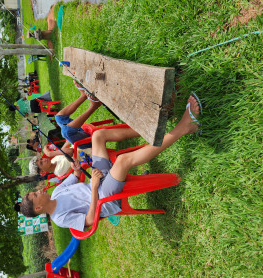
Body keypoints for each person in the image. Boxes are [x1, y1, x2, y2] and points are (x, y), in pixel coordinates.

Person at [19, 95, 201, 231]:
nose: (39, 190)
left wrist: (76, 169)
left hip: (99, 180)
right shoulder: (60, 218)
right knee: (122, 161)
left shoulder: (57, 192)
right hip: (105, 199)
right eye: (35, 195)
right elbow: (90, 220)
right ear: (39, 208)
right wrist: (94, 187)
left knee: (98, 136)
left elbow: (75, 178)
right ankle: (184, 127)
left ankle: (150, 127)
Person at [54, 80, 102, 149]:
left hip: (75, 140)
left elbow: (65, 148)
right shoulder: (51, 158)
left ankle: (83, 96)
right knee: (66, 131)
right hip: (87, 146)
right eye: (40, 160)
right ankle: (94, 106)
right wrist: (49, 154)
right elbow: (70, 152)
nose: (42, 160)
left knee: (59, 118)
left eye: (40, 160)